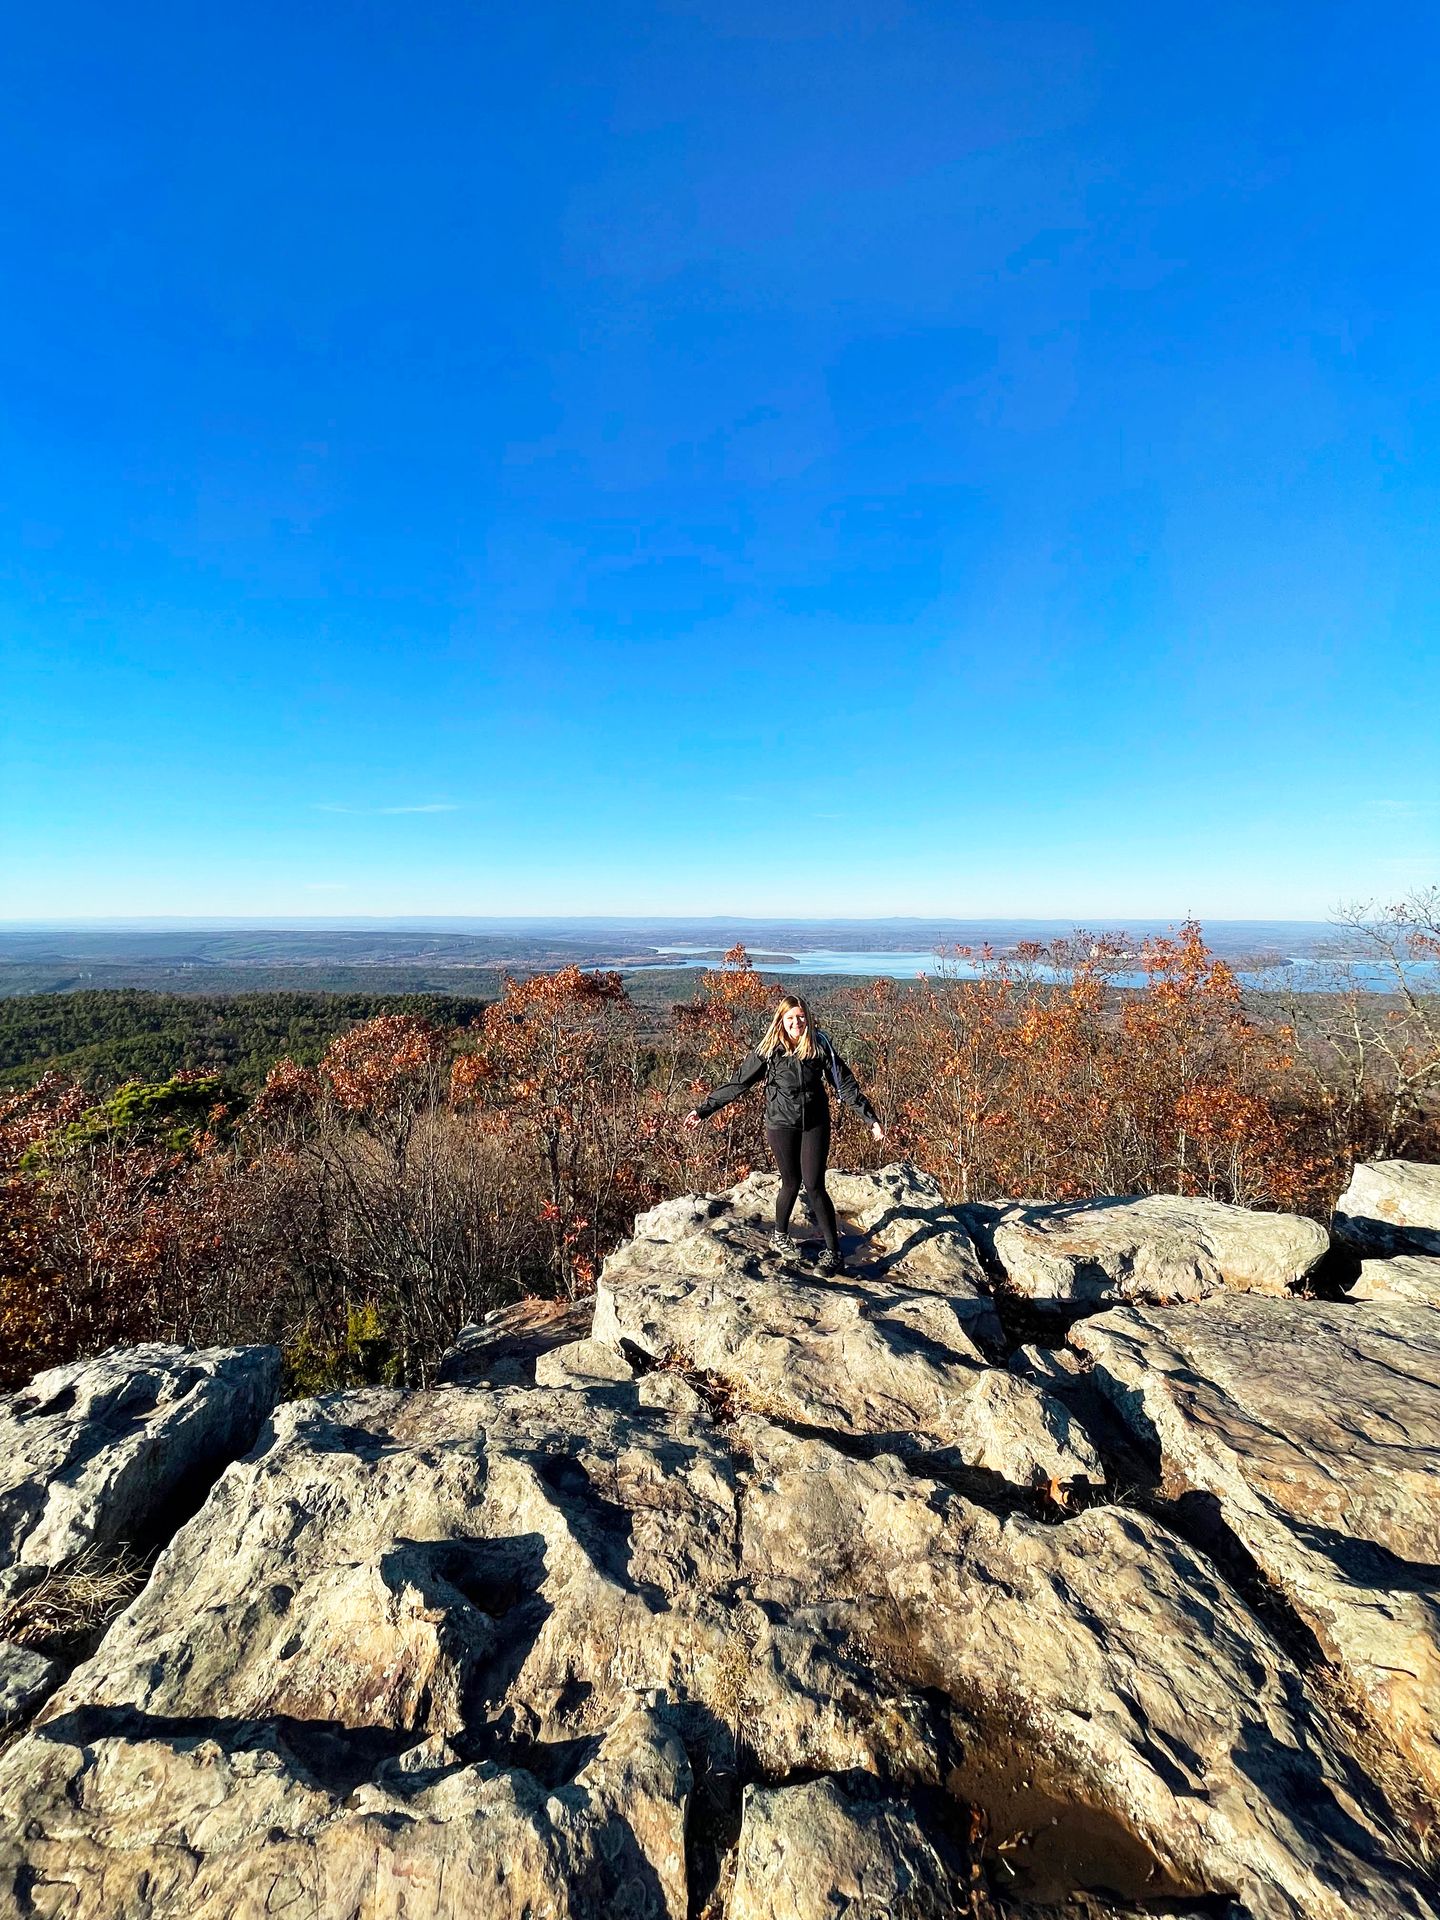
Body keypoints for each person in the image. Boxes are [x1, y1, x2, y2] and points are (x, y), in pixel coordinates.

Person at [682, 994, 883, 1275]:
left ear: (807, 1019)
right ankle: (780, 1235)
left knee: (814, 1185)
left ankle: (833, 1253)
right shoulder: (769, 1050)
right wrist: (704, 1110)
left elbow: (844, 1084)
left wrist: (869, 1118)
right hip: (781, 1125)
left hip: (815, 1123)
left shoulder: (819, 1045)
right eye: (790, 1018)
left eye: (800, 1017)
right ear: (781, 1020)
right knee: (791, 1182)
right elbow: (739, 1083)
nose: (796, 1022)